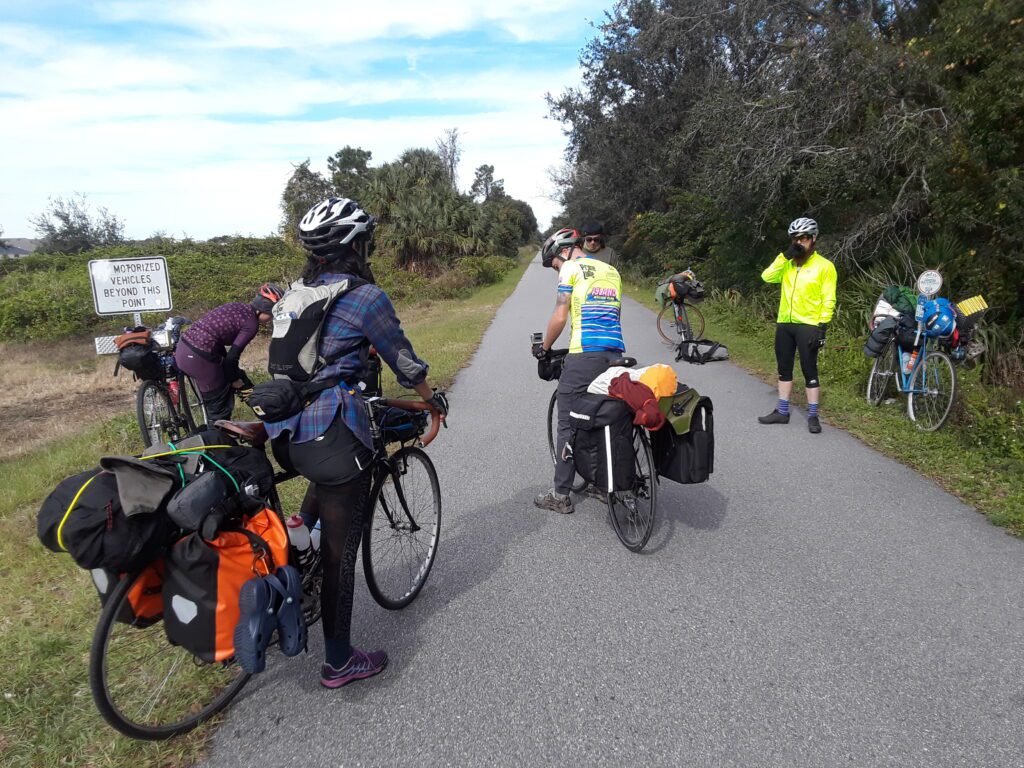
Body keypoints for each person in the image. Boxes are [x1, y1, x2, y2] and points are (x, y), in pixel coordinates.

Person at [265, 196, 449, 689]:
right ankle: (340, 662)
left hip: (285, 432)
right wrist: (433, 402)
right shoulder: (366, 297)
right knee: (341, 556)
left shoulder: (294, 293)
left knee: (325, 485)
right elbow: (405, 364)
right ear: (356, 245)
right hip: (332, 432)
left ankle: (301, 530)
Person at [534, 228, 625, 514]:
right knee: (601, 415)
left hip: (584, 353)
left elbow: (561, 314)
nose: (556, 270)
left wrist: (544, 348)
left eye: (554, 264)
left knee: (568, 420)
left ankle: (560, 494)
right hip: (615, 353)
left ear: (562, 251)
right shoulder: (611, 271)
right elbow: (613, 315)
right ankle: (601, 483)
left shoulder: (571, 268)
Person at [758, 217, 837, 434]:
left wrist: (822, 326)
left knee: (809, 370)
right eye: (795, 239)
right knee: (784, 369)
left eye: (803, 238)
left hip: (809, 324)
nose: (799, 242)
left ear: (813, 239)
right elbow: (766, 277)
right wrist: (784, 256)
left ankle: (813, 415)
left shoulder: (825, 267)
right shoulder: (788, 264)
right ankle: (782, 412)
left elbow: (828, 298)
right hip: (785, 323)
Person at [174, 283, 283, 424]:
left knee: (237, 376)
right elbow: (232, 357)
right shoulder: (251, 324)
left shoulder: (237, 306)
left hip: (183, 348)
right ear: (264, 309)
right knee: (219, 410)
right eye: (271, 314)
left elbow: (216, 341)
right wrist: (234, 380)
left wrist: (237, 377)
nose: (271, 319)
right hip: (199, 357)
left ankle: (266, 415)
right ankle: (217, 443)